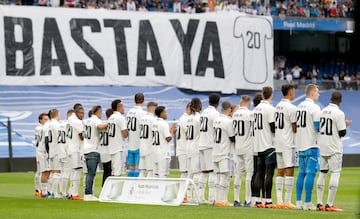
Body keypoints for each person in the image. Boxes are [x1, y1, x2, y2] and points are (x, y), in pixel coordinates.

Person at [316, 92, 352, 212]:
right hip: (334, 146)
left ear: (331, 99)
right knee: (335, 172)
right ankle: (329, 204)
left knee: (322, 172)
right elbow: (342, 132)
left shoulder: (322, 111)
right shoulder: (339, 113)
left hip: (322, 145)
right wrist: (345, 125)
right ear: (340, 101)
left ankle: (319, 203)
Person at [295, 84, 321, 210]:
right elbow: (318, 127)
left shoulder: (299, 106)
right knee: (311, 173)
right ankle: (308, 202)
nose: (318, 94)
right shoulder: (315, 108)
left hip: (300, 145)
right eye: (317, 92)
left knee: (301, 173)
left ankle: (298, 201)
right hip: (311, 144)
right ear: (312, 93)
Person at [274, 84, 297, 209]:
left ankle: (279, 200)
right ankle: (287, 201)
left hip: (278, 142)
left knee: (280, 169)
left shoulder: (277, 106)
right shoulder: (292, 108)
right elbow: (294, 128)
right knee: (289, 169)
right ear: (290, 92)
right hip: (288, 142)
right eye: (293, 91)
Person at [253, 86, 276, 208]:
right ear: (271, 95)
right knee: (269, 173)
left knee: (259, 173)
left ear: (262, 95)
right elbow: (273, 128)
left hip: (258, 144)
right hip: (268, 144)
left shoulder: (256, 109)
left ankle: (257, 200)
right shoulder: (270, 109)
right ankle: (268, 200)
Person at [198, 94, 220, 204]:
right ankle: (212, 198)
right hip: (209, 145)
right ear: (218, 102)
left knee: (204, 172)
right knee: (212, 171)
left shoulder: (203, 113)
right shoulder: (215, 114)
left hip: (201, 144)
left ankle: (200, 197)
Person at [83, 105, 108, 201]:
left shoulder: (86, 121)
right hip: (93, 149)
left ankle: (88, 193)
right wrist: (110, 122)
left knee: (89, 173)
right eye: (101, 112)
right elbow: (100, 126)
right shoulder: (96, 120)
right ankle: (88, 194)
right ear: (98, 111)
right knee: (91, 173)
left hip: (85, 149)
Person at [212, 101, 235, 207]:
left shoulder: (215, 120)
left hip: (215, 151)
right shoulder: (228, 122)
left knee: (217, 176)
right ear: (229, 109)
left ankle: (217, 200)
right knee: (225, 176)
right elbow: (232, 138)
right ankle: (223, 200)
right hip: (224, 152)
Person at [232, 95, 253, 207]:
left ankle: (236, 199)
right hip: (247, 146)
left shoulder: (234, 114)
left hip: (238, 146)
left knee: (238, 173)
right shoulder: (250, 114)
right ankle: (248, 200)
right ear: (248, 103)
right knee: (249, 172)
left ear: (241, 102)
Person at [185, 97, 202, 202]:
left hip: (188, 146)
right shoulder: (199, 118)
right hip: (196, 146)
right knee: (196, 173)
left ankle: (189, 196)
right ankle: (196, 198)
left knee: (190, 173)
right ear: (199, 105)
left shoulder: (188, 118)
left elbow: (187, 133)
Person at [152, 106, 176, 178]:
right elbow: (168, 138)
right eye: (165, 112)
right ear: (161, 113)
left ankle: (154, 189)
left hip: (155, 151)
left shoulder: (154, 123)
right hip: (163, 153)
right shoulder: (164, 123)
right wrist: (171, 132)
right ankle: (163, 189)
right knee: (163, 175)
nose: (167, 114)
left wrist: (169, 131)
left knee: (155, 174)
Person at [126, 93, 146, 177]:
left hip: (130, 144)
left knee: (131, 168)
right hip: (139, 144)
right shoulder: (143, 113)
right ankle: (135, 188)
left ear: (134, 100)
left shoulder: (129, 112)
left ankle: (129, 187)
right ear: (143, 100)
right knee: (138, 168)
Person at [68, 104, 85, 200]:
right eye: (80, 113)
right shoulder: (77, 122)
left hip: (70, 147)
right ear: (76, 112)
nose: (82, 115)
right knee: (77, 170)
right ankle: (75, 194)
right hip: (76, 149)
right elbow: (82, 136)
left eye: (83, 113)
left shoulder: (70, 119)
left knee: (74, 171)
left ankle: (71, 192)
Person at [108, 99, 129, 177]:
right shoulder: (120, 118)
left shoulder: (110, 118)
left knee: (114, 171)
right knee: (118, 173)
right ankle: (116, 189)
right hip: (119, 148)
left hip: (112, 147)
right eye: (123, 106)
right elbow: (125, 134)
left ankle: (113, 189)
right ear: (119, 107)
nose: (124, 108)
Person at [250, 92, 263, 205]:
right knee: (261, 173)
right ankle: (261, 198)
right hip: (261, 145)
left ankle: (253, 198)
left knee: (254, 173)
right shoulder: (263, 112)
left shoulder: (251, 113)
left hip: (252, 145)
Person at [138, 101, 158, 177]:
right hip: (150, 148)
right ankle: (149, 188)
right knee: (151, 170)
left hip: (142, 146)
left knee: (142, 171)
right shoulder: (153, 119)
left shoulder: (142, 118)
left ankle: (138, 187)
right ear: (153, 108)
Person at [177, 102, 191, 202]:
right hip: (184, 148)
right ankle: (182, 195)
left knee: (186, 172)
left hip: (184, 148)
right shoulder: (185, 119)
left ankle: (183, 195)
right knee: (185, 172)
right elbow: (188, 133)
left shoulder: (183, 118)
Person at [47, 109, 62, 199]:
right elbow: (60, 137)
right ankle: (54, 193)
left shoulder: (48, 125)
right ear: (57, 114)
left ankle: (51, 192)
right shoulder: (56, 124)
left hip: (51, 150)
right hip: (57, 150)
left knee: (52, 173)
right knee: (57, 172)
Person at [59, 110, 73, 198]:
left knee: (63, 172)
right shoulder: (69, 125)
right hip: (67, 150)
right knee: (68, 172)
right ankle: (64, 192)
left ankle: (61, 191)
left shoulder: (60, 124)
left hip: (59, 150)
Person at [34, 113, 49, 197]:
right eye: (45, 119)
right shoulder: (39, 128)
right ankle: (38, 190)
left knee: (40, 170)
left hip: (41, 150)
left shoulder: (41, 128)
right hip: (40, 151)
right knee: (41, 171)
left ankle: (38, 189)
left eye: (48, 119)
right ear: (40, 120)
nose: (47, 121)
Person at [100, 108, 114, 186]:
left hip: (103, 150)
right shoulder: (111, 125)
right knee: (110, 172)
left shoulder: (102, 124)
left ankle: (104, 189)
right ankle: (108, 190)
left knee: (106, 172)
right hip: (110, 150)